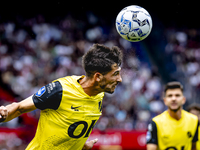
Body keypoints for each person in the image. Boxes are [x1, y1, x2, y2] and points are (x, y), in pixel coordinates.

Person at [0, 43, 123, 150]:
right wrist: (4, 113)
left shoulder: (99, 95)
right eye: (115, 74)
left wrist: (79, 146)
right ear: (98, 77)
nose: (120, 79)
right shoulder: (60, 90)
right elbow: (20, 107)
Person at [146, 81, 199, 150]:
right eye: (170, 96)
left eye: (177, 95)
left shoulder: (194, 120)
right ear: (165, 101)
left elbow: (194, 147)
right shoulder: (156, 123)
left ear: (183, 99)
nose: (173, 99)